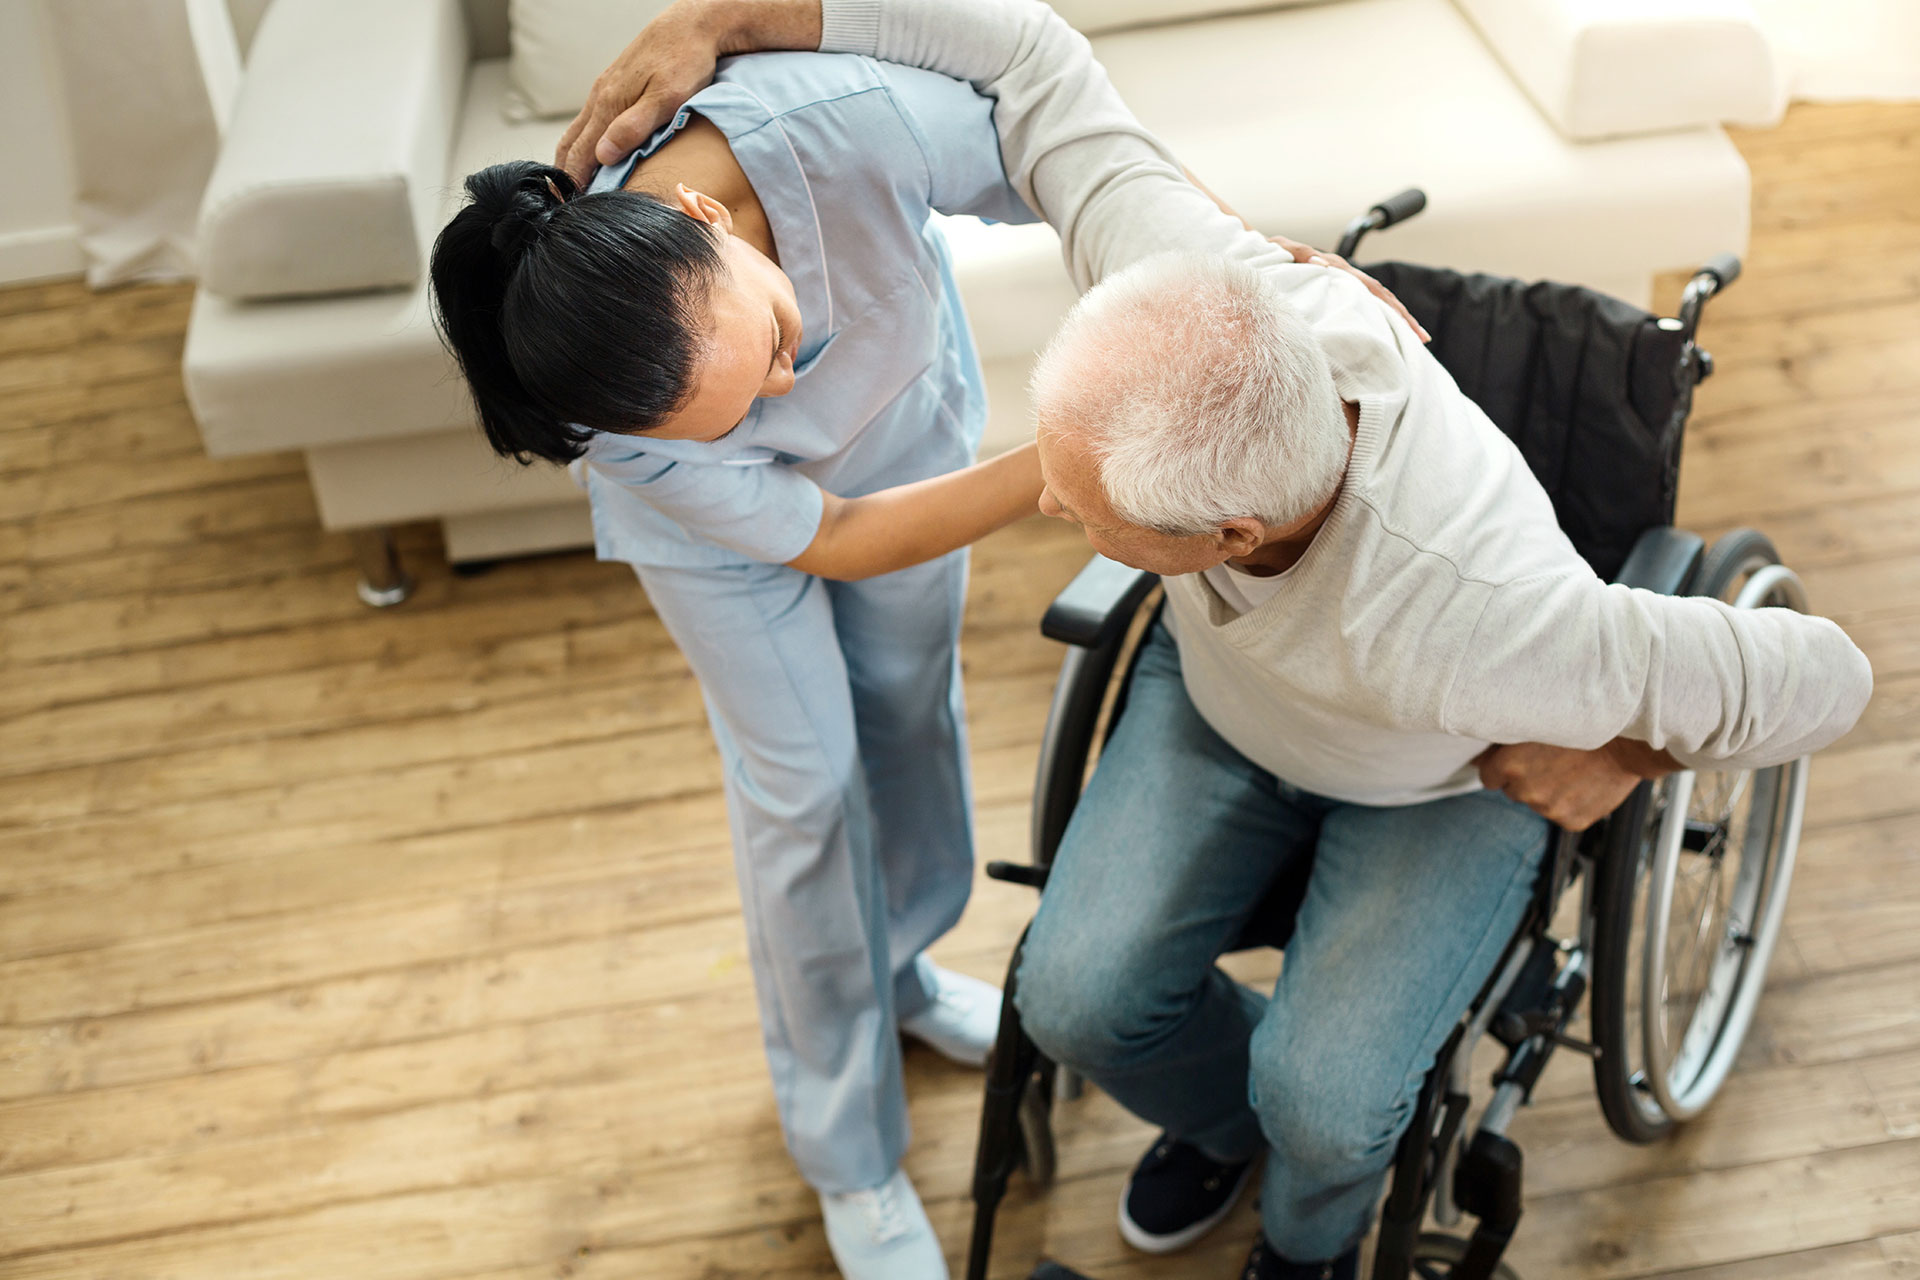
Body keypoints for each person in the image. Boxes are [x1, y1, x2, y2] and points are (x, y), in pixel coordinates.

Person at [566, 2, 1876, 1278]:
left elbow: (1831, 675)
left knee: (1328, 1100)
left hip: (1440, 772)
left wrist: (1629, 754)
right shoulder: (1180, 276)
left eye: (1086, 506)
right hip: (1233, 698)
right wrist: (733, 15)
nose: (1050, 503)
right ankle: (1223, 1121)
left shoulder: (1482, 626)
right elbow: (1031, 54)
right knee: (1071, 1002)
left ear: (1224, 538)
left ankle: (1306, 1242)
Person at [436, 21, 1410, 1280]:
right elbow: (831, 534)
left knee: (909, 711)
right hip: (742, 551)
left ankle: (896, 969)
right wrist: (1063, 455)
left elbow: (1080, 165)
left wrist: (1249, 268)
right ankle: (846, 1148)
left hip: (910, 447)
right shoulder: (618, 410)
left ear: (707, 215)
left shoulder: (838, 122)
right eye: (741, 408)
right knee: (806, 789)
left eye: (777, 343)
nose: (783, 390)